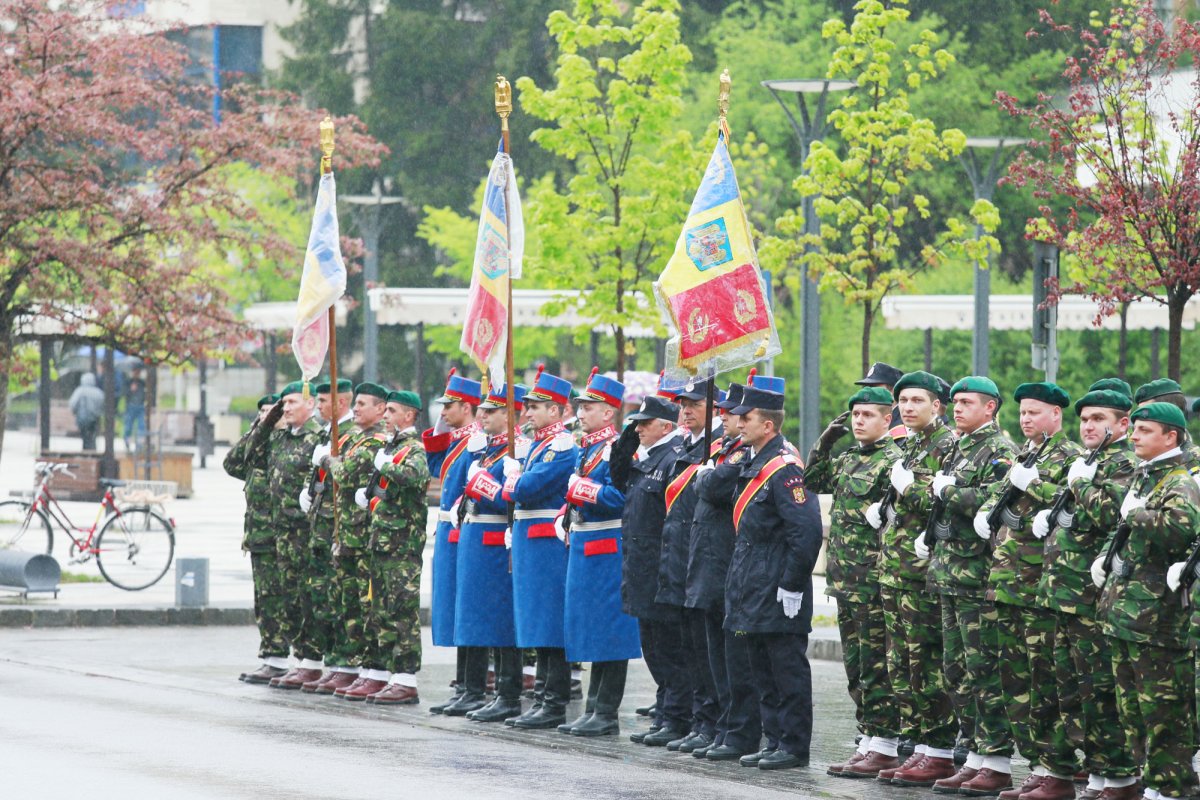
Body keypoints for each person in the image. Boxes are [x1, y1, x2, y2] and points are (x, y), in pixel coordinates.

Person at [696, 380, 824, 770]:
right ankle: (774, 739)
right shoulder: (750, 460)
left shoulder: (784, 469)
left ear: (767, 425)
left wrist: (791, 584)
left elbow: (806, 533)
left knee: (785, 668)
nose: (738, 422)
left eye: (746, 417)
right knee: (761, 668)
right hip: (750, 580)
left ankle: (793, 744)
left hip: (775, 582)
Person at [980, 382, 1083, 800]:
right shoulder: (1023, 455)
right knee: (1014, 682)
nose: (1026, 419)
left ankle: (1059, 768)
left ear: (1056, 415)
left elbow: (1071, 505)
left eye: (1035, 412)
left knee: (1046, 683)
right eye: (1022, 412)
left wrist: (1034, 483)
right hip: (1006, 584)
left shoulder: (1070, 457)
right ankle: (1038, 763)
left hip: (1040, 587)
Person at [1093, 403, 1200, 800]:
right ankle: (1150, 783)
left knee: (1164, 714)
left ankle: (1173, 789)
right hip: (1128, 614)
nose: (1134, 436)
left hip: (1157, 620)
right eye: (1134, 428)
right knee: (1133, 711)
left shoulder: (1179, 481)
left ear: (1170, 436)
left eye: (1144, 430)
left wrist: (1137, 515)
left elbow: (1179, 530)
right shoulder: (1147, 477)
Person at [1039, 387, 1138, 800]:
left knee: (1100, 692)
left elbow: (1108, 515)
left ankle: (1120, 779)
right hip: (1064, 596)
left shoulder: (1124, 464)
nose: (1089, 426)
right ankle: (1097, 777)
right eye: (1085, 420)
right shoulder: (1088, 462)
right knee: (1072, 693)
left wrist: (1079, 485)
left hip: (1092, 601)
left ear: (1122, 425)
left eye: (1099, 419)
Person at [923, 377, 1016, 795]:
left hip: (977, 577)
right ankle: (975, 754)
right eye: (955, 402)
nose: (956, 409)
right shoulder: (958, 446)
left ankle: (996, 760)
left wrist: (951, 491)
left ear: (991, 408)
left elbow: (994, 500)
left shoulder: (998, 450)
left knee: (983, 671)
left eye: (966, 403)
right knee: (956, 670)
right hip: (949, 574)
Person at [806, 386, 904, 779]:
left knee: (877, 665)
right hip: (846, 580)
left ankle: (884, 744)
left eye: (868, 415)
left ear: (887, 418)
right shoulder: (848, 458)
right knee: (856, 665)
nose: (859, 421)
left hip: (876, 580)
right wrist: (826, 440)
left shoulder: (893, 462)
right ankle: (868, 738)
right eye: (856, 415)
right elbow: (813, 480)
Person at [870, 370, 959, 787]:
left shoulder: (947, 446)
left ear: (936, 406)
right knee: (901, 663)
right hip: (895, 570)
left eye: (916, 401)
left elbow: (941, 506)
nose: (907, 408)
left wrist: (909, 491)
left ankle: (939, 749)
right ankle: (919, 744)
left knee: (926, 661)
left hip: (922, 574)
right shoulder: (908, 446)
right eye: (903, 401)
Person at [557, 368, 641, 737]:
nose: (580, 413)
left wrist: (582, 491)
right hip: (586, 543)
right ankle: (593, 707)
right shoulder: (589, 447)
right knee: (591, 627)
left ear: (608, 412)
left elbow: (620, 498)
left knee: (610, 631)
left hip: (608, 546)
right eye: (580, 407)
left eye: (588, 407)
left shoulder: (618, 449)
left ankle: (606, 712)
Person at [501, 368, 580, 730]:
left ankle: (554, 701)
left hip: (546, 541)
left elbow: (529, 489)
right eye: (528, 406)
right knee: (536, 621)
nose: (528, 412)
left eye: (535, 406)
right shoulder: (539, 445)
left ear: (556, 411)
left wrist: (513, 478)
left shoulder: (561, 446)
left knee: (550, 623)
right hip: (530, 537)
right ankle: (543, 697)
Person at [613, 394, 689, 745]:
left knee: (669, 649)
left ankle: (675, 716)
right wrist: (628, 435)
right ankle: (665, 712)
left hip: (661, 568)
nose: (639, 428)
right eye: (637, 423)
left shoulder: (672, 458)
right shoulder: (647, 458)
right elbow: (619, 477)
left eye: (645, 423)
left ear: (666, 427)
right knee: (652, 647)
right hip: (640, 566)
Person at [654, 377, 722, 753]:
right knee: (689, 647)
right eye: (683, 403)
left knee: (705, 649)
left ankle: (711, 721)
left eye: (695, 403)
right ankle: (700, 719)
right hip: (680, 556)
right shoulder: (687, 446)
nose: (686, 410)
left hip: (705, 560)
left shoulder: (716, 449)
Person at [454, 383, 529, 721]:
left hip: (495, 539)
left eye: (491, 411)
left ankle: (507, 693)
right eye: (482, 410)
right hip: (476, 534)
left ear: (510, 415)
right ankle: (473, 690)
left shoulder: (519, 449)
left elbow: (507, 500)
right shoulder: (488, 449)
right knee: (477, 614)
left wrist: (481, 484)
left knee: (500, 618)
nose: (481, 416)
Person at [243, 381, 323, 684]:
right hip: (280, 535)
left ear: (310, 405)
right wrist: (265, 422)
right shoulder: (279, 438)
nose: (286, 408)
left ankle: (310, 661)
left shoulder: (320, 438)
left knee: (308, 599)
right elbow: (243, 457)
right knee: (289, 600)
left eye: (291, 403)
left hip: (306, 534)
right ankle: (299, 660)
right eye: (283, 404)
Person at [357, 390, 430, 704]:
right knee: (382, 609)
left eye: (392, 411)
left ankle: (405, 678)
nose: (385, 416)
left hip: (402, 544)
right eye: (384, 411)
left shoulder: (413, 448)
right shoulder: (391, 447)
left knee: (401, 610)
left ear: (409, 415)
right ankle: (385, 672)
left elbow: (416, 477)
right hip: (383, 541)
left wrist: (386, 467)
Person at [320, 382, 391, 700]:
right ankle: (354, 667)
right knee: (346, 603)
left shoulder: (374, 441)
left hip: (363, 535)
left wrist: (326, 461)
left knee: (365, 605)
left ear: (380, 409)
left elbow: (345, 474)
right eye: (357, 403)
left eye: (364, 404)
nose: (357, 408)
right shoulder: (356, 439)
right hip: (347, 531)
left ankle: (372, 669)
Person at [421, 371, 483, 713]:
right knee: (455, 608)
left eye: (449, 406)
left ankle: (473, 686)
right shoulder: (459, 439)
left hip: (464, 530)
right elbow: (437, 468)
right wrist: (440, 431)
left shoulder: (475, 441)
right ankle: (464, 684)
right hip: (449, 531)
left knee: (468, 608)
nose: (443, 411)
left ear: (466, 406)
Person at [297, 378, 357, 694]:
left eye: (323, 401)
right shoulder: (327, 433)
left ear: (340, 402)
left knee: (340, 598)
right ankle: (333, 663)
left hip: (339, 526)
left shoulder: (352, 436)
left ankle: (345, 664)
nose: (318, 407)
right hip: (320, 525)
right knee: (322, 597)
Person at [225, 394, 285, 684]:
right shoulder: (258, 448)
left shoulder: (282, 446)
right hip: (259, 536)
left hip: (282, 537)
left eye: (270, 412)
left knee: (283, 600)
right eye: (261, 412)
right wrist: (256, 429)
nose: (265, 417)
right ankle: (272, 657)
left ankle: (285, 658)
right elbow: (231, 463)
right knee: (265, 601)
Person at [69, 373, 104, 451]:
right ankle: (92, 451)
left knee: (85, 436)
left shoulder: (79, 391)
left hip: (82, 418)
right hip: (94, 419)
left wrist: (75, 412)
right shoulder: (98, 392)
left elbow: (73, 403)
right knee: (92, 436)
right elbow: (102, 406)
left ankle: (86, 451)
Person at [123, 366, 146, 452]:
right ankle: (127, 442)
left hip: (140, 406)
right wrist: (130, 390)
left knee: (141, 426)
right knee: (128, 426)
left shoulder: (142, 382)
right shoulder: (128, 382)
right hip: (130, 406)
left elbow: (145, 394)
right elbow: (124, 393)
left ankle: (139, 444)